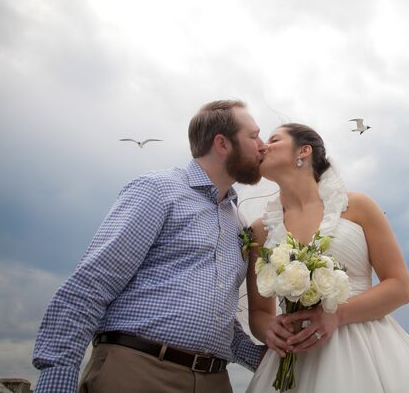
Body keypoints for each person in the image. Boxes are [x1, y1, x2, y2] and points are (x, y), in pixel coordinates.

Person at [32, 100, 268, 393]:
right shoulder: (158, 191)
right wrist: (57, 381)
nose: (263, 145)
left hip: (215, 380)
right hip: (138, 370)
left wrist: (266, 359)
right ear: (222, 143)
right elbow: (91, 285)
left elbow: (217, 316)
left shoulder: (237, 220)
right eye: (254, 135)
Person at [245, 123, 409, 392]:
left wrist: (336, 316)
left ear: (303, 151)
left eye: (274, 139)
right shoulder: (260, 230)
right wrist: (269, 330)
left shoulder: (357, 206)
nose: (263, 145)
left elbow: (400, 287)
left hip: (365, 348)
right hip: (294, 357)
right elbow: (259, 312)